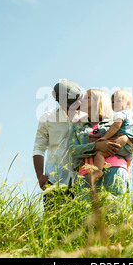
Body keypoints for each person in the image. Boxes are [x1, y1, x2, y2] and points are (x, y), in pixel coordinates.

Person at [68, 89, 133, 200]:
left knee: (113, 211)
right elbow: (73, 150)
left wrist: (126, 139)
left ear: (98, 101)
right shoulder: (77, 126)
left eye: (87, 98)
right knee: (86, 214)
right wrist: (96, 146)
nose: (81, 101)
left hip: (115, 169)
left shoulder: (116, 122)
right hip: (86, 174)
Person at [33, 79, 86, 207]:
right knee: (53, 224)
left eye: (80, 100)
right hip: (54, 180)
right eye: (74, 103)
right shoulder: (47, 118)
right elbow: (38, 148)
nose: (78, 105)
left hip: (82, 180)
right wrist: (40, 176)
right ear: (62, 103)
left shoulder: (86, 118)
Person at [91, 88, 133, 178]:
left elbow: (116, 126)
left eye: (118, 101)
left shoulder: (120, 114)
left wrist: (105, 137)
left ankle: (98, 171)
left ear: (128, 103)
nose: (114, 104)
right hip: (130, 148)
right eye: (112, 102)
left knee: (100, 153)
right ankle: (128, 169)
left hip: (120, 143)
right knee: (127, 160)